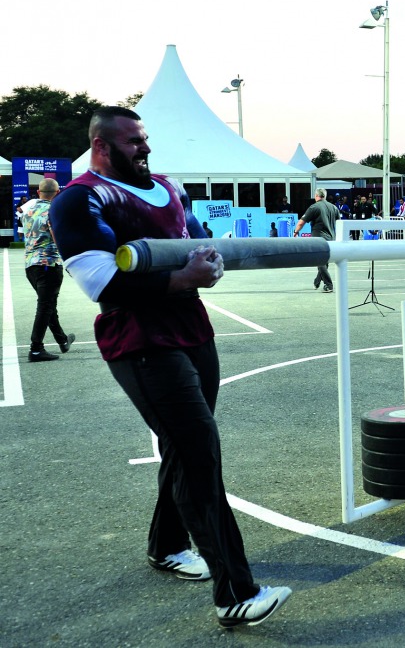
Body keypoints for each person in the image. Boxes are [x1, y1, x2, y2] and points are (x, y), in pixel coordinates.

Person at [49, 106, 291, 629]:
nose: (146, 148)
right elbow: (101, 283)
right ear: (102, 147)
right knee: (199, 452)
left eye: (145, 138)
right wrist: (185, 279)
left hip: (194, 333)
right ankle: (236, 595)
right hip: (140, 341)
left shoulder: (170, 187)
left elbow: (200, 247)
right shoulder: (80, 198)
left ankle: (166, 545)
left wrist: (210, 266)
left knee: (185, 448)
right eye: (134, 142)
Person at [22, 179, 75, 362]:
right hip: (49, 264)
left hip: (30, 264)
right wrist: (70, 262)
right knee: (45, 306)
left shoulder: (27, 210)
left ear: (38, 192)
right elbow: (57, 237)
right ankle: (36, 349)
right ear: (58, 192)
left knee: (48, 304)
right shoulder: (54, 211)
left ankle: (62, 340)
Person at [294, 187, 339, 292]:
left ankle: (329, 285)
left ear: (316, 196)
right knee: (324, 261)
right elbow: (339, 222)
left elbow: (301, 222)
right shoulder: (334, 207)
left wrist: (296, 232)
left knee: (320, 260)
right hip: (332, 237)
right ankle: (317, 281)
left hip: (319, 238)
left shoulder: (314, 207)